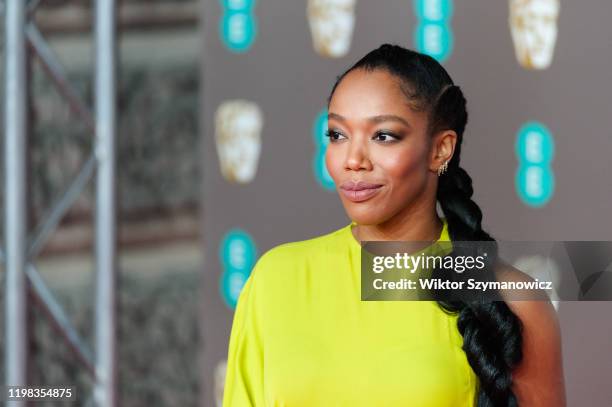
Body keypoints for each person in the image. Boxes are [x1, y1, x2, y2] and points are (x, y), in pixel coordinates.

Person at [222, 44, 566, 406]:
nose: (353, 160)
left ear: (440, 150)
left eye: (383, 136)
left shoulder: (512, 300)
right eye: (337, 135)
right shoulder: (275, 279)